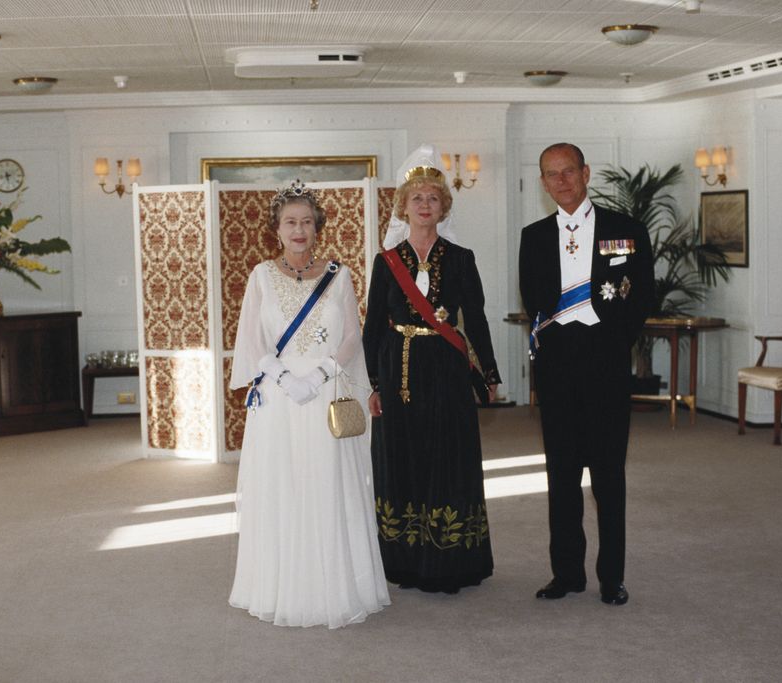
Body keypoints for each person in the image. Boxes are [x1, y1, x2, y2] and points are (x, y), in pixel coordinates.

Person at [228, 180, 390, 628]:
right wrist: (283, 377)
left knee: (325, 485)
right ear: (276, 230)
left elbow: (353, 335)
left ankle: (333, 587)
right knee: (285, 487)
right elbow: (252, 340)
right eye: (289, 222)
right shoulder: (261, 275)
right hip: (280, 401)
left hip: (324, 395)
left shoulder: (340, 274)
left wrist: (321, 374)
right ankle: (282, 586)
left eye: (306, 222)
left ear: (317, 227)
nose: (299, 230)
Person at [518, 143, 654, 606]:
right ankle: (567, 574)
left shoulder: (626, 230)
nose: (562, 181)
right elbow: (534, 300)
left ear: (586, 173)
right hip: (558, 369)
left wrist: (614, 340)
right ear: (543, 182)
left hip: (606, 365)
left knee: (608, 478)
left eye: (569, 171)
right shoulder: (533, 236)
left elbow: (642, 296)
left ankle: (611, 578)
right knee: (561, 477)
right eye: (551, 174)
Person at [363, 146, 501, 594]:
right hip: (398, 370)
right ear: (403, 206)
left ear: (444, 206)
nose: (424, 205)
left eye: (433, 198)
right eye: (416, 198)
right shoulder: (386, 263)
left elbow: (475, 319)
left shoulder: (461, 259)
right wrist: (374, 383)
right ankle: (404, 562)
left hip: (445, 371)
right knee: (403, 461)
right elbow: (372, 328)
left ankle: (448, 564)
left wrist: (490, 375)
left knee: (446, 460)